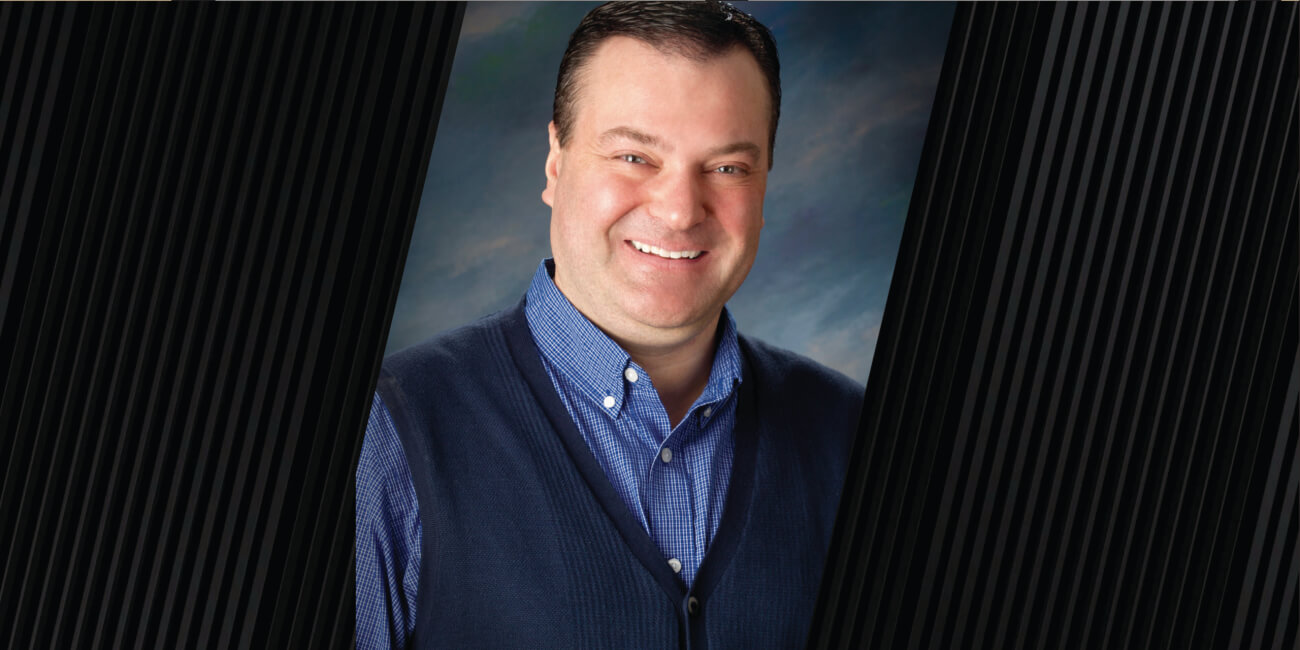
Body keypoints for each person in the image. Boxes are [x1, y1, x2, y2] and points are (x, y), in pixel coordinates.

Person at [356, 2, 864, 647]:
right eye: (633, 157)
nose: (680, 211)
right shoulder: (390, 431)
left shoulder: (848, 430)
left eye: (727, 168)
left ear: (764, 187)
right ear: (554, 163)